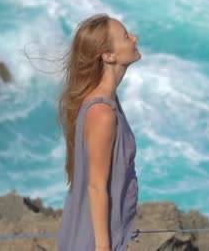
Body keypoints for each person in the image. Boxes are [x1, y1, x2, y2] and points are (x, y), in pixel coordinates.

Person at [57, 13, 141, 250]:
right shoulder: (102, 112)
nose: (135, 38)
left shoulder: (105, 101)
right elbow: (96, 186)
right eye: (126, 36)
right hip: (94, 243)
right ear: (108, 55)